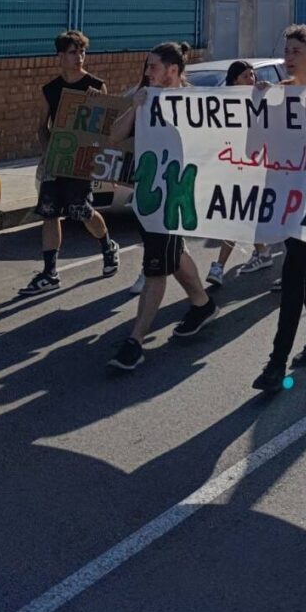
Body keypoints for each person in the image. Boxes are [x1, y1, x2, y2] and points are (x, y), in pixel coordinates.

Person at [107, 42, 217, 371]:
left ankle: (135, 341)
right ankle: (202, 303)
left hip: (176, 198)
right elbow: (113, 137)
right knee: (172, 256)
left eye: (153, 66)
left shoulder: (196, 102)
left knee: (156, 267)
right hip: (148, 196)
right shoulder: (145, 99)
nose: (147, 72)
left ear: (173, 69)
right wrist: (135, 107)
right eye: (147, 66)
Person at [253, 24, 306, 391]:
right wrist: (257, 105)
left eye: (296, 53)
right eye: (286, 51)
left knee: (293, 274)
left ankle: (277, 363)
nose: (288, 59)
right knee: (303, 271)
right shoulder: (275, 95)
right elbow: (253, 146)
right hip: (282, 193)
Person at [20, 30, 120, 295]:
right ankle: (50, 272)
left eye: (82, 52)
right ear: (60, 56)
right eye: (73, 52)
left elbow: (107, 126)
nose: (79, 57)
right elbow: (42, 126)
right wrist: (47, 151)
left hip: (82, 161)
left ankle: (108, 247)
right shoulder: (50, 90)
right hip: (56, 161)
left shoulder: (96, 86)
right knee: (50, 213)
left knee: (81, 211)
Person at [206, 60, 274, 286]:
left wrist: (267, 94)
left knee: (236, 215)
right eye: (246, 76)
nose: (252, 80)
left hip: (252, 165)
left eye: (252, 75)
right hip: (230, 165)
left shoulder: (258, 97)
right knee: (244, 214)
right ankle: (263, 253)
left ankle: (219, 266)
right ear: (234, 79)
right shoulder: (224, 100)